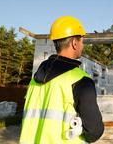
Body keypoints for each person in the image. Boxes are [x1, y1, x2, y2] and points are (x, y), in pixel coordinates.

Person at [20, 16, 104, 144]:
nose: (82, 45)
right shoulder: (81, 80)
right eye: (82, 40)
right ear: (74, 43)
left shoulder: (35, 79)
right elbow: (94, 132)